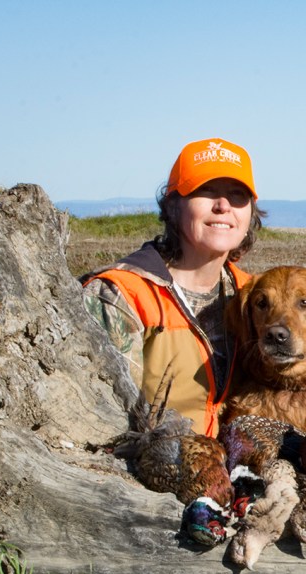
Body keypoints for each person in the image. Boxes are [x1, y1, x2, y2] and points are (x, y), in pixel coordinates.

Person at [81, 137, 263, 437]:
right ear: (174, 206)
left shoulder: (254, 296)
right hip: (144, 463)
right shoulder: (120, 295)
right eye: (206, 191)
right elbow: (101, 418)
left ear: (250, 213)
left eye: (237, 195)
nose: (223, 206)